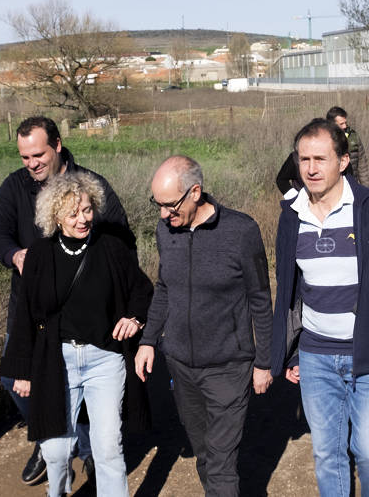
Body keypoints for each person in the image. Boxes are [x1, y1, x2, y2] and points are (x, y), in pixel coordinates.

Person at [269, 118, 369, 497]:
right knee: (328, 454)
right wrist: (290, 351)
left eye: (320, 159)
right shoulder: (291, 216)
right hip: (315, 357)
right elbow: (289, 289)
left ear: (342, 161)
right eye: (303, 159)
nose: (310, 168)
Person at [0, 116, 135, 485]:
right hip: (32, 310)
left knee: (87, 385)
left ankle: (86, 444)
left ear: (58, 145)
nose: (31, 163)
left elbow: (123, 241)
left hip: (87, 316)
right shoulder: (15, 186)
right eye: (24, 157)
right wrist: (14, 255)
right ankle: (51, 432)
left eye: (38, 154)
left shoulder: (90, 186)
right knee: (11, 377)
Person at [4, 172, 154, 497]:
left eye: (86, 210)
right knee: (56, 453)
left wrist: (135, 318)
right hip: (58, 363)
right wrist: (22, 370)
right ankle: (56, 491)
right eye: (73, 214)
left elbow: (143, 291)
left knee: (108, 449)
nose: (82, 219)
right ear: (56, 216)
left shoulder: (111, 249)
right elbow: (25, 316)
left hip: (105, 361)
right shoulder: (40, 256)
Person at [136, 155, 274, 497]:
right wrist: (148, 339)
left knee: (221, 463)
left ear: (195, 192)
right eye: (158, 204)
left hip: (229, 365)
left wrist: (264, 362)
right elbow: (165, 287)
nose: (163, 214)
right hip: (181, 365)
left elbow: (260, 298)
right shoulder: (165, 230)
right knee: (205, 453)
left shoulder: (242, 232)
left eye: (169, 205)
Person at [326, 106, 369, 186]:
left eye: (345, 123)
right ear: (331, 124)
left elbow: (362, 164)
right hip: (333, 187)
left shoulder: (353, 136)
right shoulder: (324, 139)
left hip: (352, 185)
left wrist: (365, 188)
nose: (345, 126)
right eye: (341, 124)